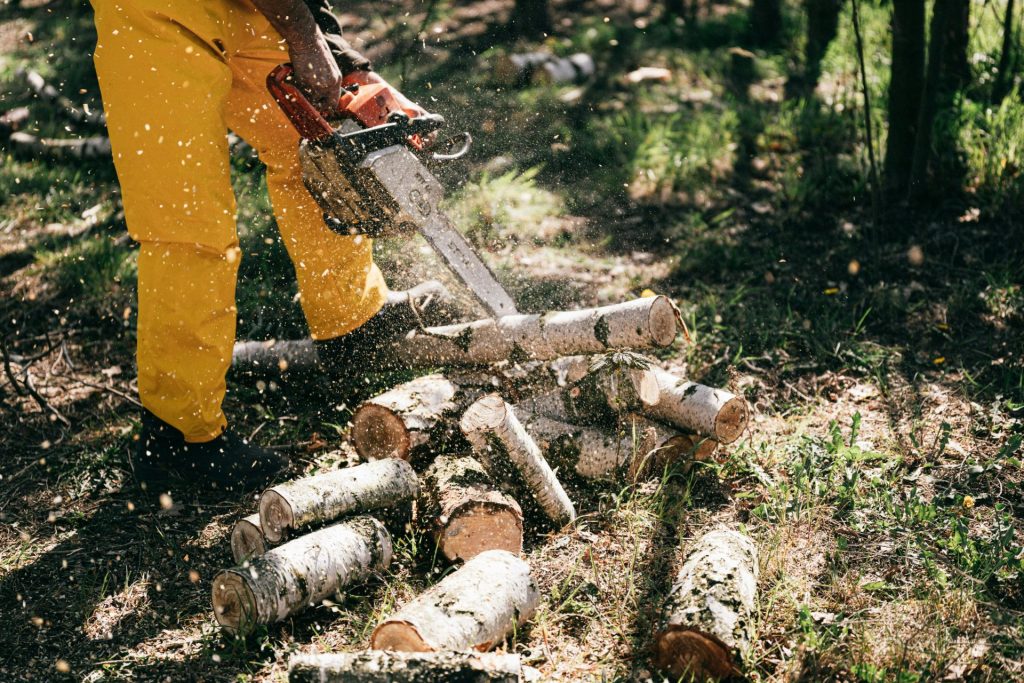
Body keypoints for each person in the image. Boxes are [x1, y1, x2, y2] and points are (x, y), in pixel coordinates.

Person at [89, 0, 449, 491]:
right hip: (152, 14)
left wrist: (337, 58)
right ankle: (180, 435)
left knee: (313, 134)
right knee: (188, 221)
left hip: (251, 6)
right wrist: (306, 39)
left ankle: (352, 321)